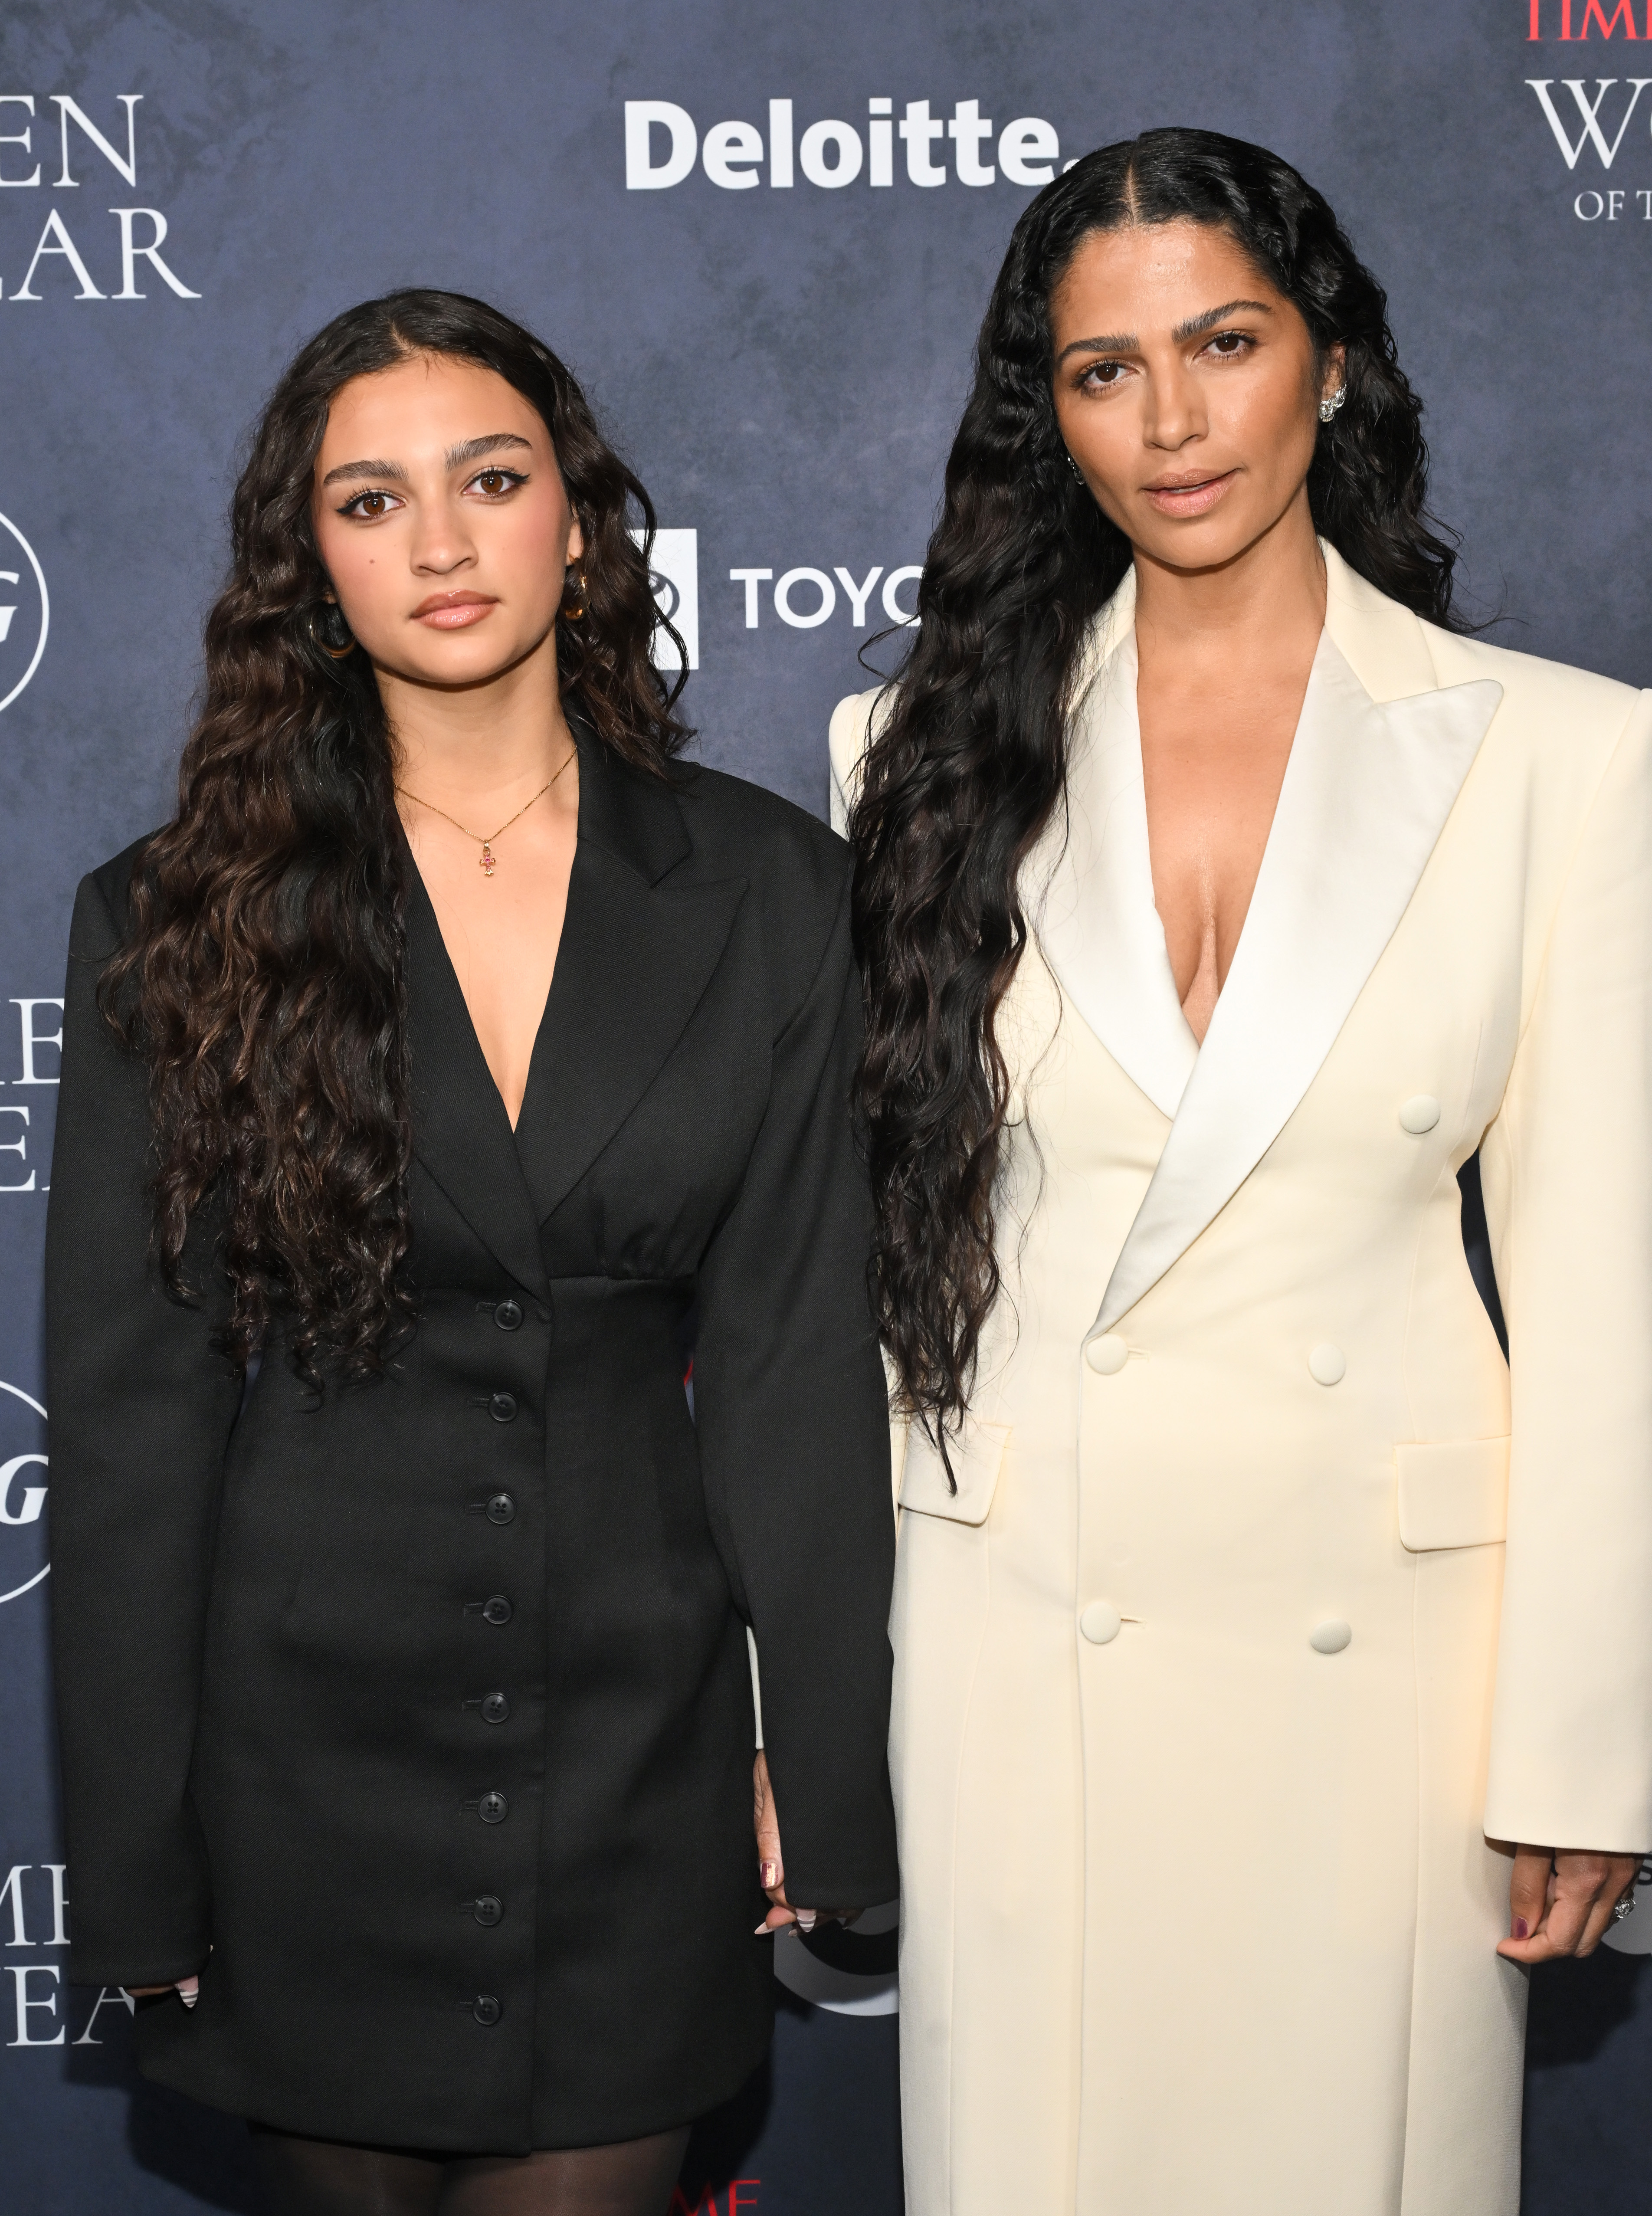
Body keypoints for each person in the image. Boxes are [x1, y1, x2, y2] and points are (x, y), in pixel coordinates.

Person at [831, 129, 1651, 2216]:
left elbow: (1603, 1292)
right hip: (1023, 1641)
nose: (1173, 420)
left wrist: (1582, 1748)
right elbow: (842, 1285)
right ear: (1052, 412)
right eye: (1105, 370)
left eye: (1225, 343)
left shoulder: (1562, 754)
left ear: (1337, 361)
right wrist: (804, 1706)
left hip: (1382, 1673)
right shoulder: (904, 750)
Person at [48, 289, 897, 2216]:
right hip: (300, 1759)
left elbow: (786, 1361)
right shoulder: (179, 915)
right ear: (306, 562)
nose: (438, 542)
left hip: (638, 1752)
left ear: (578, 520)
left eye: (490, 479)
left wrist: (825, 1767)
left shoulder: (766, 887)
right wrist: (134, 1852)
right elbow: (132, 1416)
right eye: (370, 500)